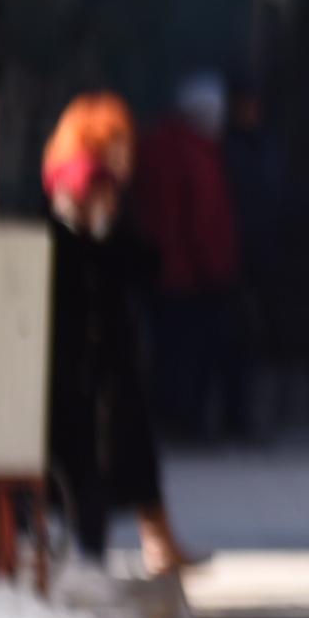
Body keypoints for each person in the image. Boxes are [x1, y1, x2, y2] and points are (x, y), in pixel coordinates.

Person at [39, 95, 196, 575]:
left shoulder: (78, 183)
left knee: (112, 455)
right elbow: (116, 262)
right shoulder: (89, 186)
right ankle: (125, 548)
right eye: (120, 145)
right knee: (93, 459)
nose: (129, 157)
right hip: (87, 356)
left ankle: (144, 543)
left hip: (88, 353)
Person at [133, 72, 245, 441]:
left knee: (166, 351)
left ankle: (168, 418)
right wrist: (218, 271)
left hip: (155, 268)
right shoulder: (197, 156)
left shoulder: (153, 147)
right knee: (190, 354)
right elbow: (204, 220)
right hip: (190, 275)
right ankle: (185, 422)